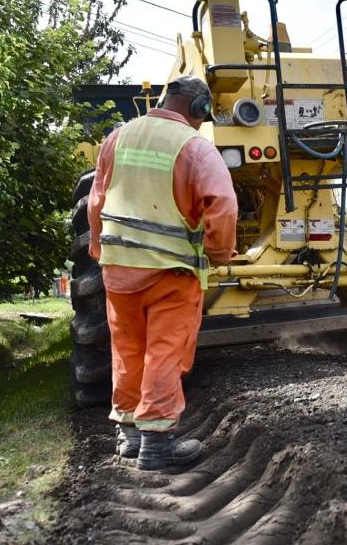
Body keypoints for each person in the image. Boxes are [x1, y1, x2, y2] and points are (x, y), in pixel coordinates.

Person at [87, 75, 238, 471]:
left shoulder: (116, 138)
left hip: (118, 271)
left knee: (128, 351)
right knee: (164, 354)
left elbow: (96, 201)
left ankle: (128, 436)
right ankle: (156, 445)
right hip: (170, 273)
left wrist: (99, 248)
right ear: (200, 109)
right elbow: (223, 205)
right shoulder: (195, 147)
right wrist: (219, 252)